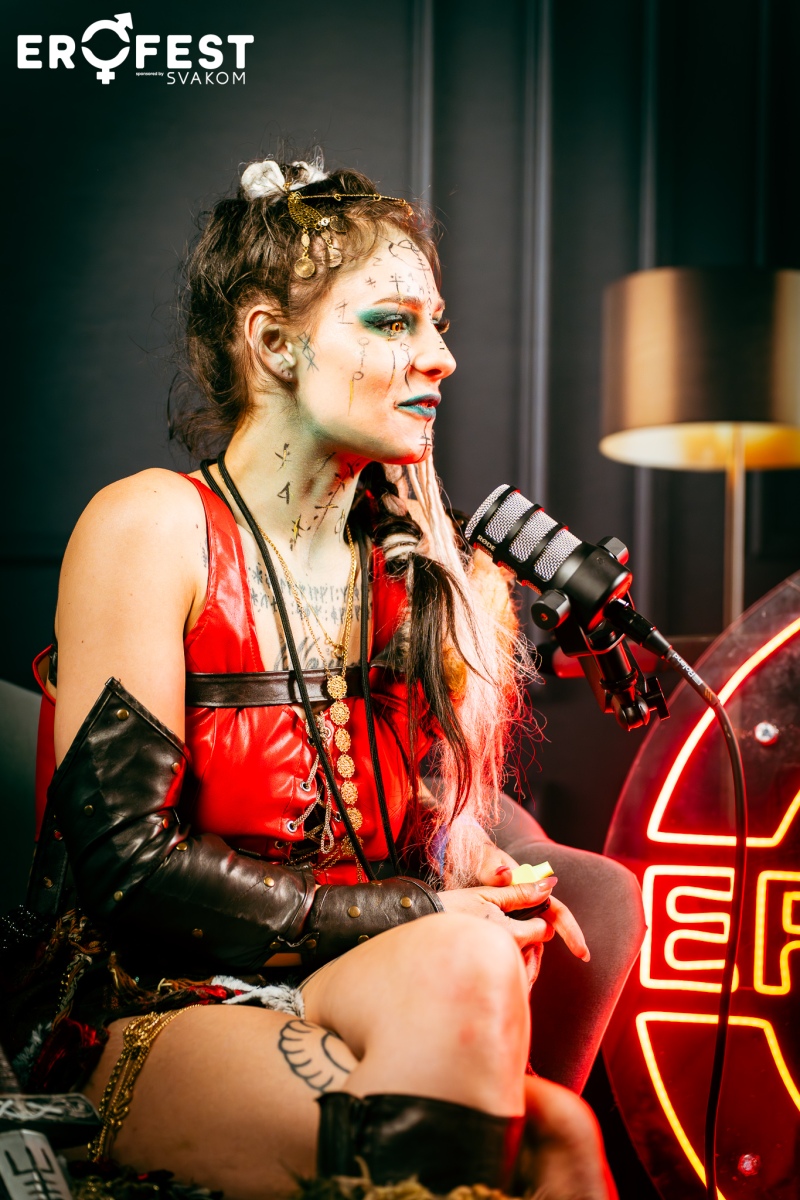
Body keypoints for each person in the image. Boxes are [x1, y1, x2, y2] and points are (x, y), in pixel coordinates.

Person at [6, 156, 622, 1200]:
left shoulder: (414, 568)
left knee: (556, 1120)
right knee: (538, 1137)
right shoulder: (151, 527)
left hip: (357, 981)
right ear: (273, 343)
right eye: (392, 323)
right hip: (155, 999)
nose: (441, 357)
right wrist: (420, 912)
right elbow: (128, 876)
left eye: (436, 325)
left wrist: (465, 863)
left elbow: (408, 832)